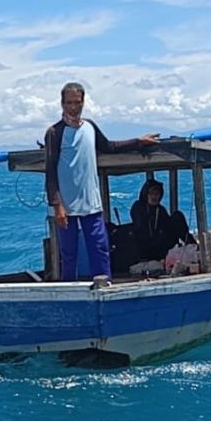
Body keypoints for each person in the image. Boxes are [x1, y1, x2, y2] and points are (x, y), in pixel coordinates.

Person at [43, 82, 159, 283]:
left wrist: (139, 141)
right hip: (66, 206)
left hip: (91, 203)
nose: (73, 107)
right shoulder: (54, 132)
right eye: (69, 103)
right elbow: (50, 172)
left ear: (83, 102)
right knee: (69, 253)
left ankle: (106, 286)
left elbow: (109, 146)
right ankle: (69, 289)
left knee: (100, 247)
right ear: (62, 104)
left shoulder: (89, 126)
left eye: (77, 102)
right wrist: (57, 205)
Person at [129, 178, 194, 261]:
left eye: (157, 194)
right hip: (144, 247)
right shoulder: (138, 207)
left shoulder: (161, 210)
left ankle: (192, 247)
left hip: (161, 247)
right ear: (146, 194)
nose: (154, 196)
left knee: (177, 216)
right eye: (151, 194)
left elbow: (168, 227)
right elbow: (140, 226)